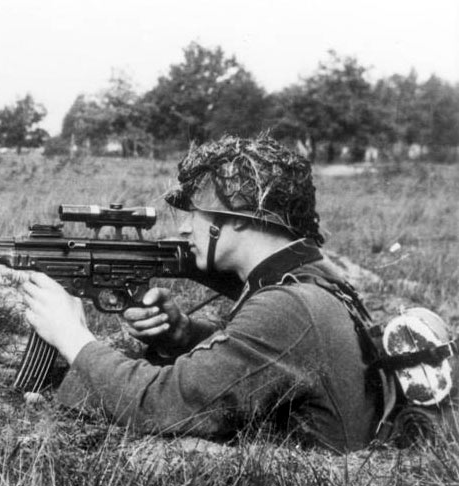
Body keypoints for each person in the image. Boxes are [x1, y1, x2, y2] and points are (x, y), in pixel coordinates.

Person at [20, 135, 381, 452]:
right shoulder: (311, 279)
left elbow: (159, 405)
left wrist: (70, 335)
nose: (185, 226)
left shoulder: (289, 307)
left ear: (238, 216)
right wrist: (184, 335)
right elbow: (266, 359)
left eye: (196, 213)